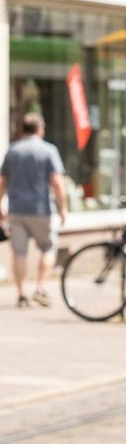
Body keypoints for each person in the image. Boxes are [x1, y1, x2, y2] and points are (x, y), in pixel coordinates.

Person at [0, 113, 68, 308]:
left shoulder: (12, 151)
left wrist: (0, 205)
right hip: (41, 209)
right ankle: (40, 288)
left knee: (19, 252)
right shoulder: (48, 150)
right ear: (40, 129)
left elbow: (2, 181)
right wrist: (63, 207)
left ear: (22, 129)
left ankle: (21, 294)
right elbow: (57, 182)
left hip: (16, 209)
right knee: (48, 248)